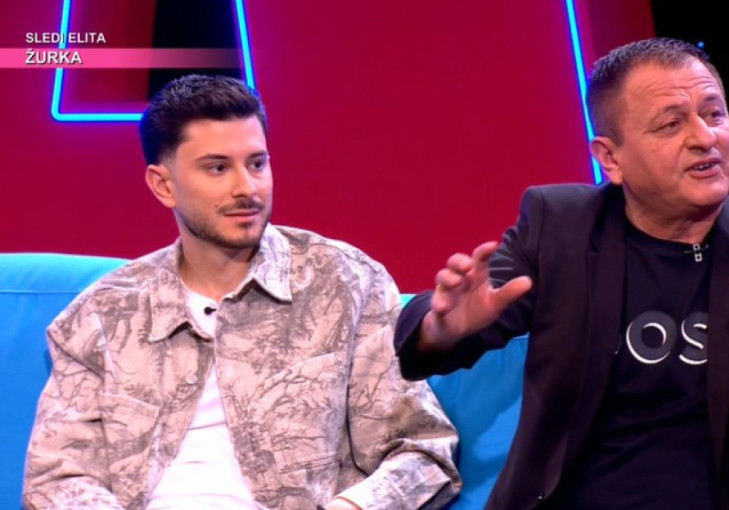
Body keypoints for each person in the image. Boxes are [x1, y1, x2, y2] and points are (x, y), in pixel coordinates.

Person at [394, 37, 729, 509]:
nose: (704, 138)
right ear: (610, 158)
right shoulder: (562, 228)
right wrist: (444, 326)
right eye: (670, 125)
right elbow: (424, 338)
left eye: (714, 114)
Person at [23, 75, 460, 510]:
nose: (247, 189)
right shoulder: (103, 314)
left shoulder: (345, 283)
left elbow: (422, 452)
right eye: (218, 168)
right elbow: (55, 478)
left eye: (257, 164)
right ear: (163, 185)